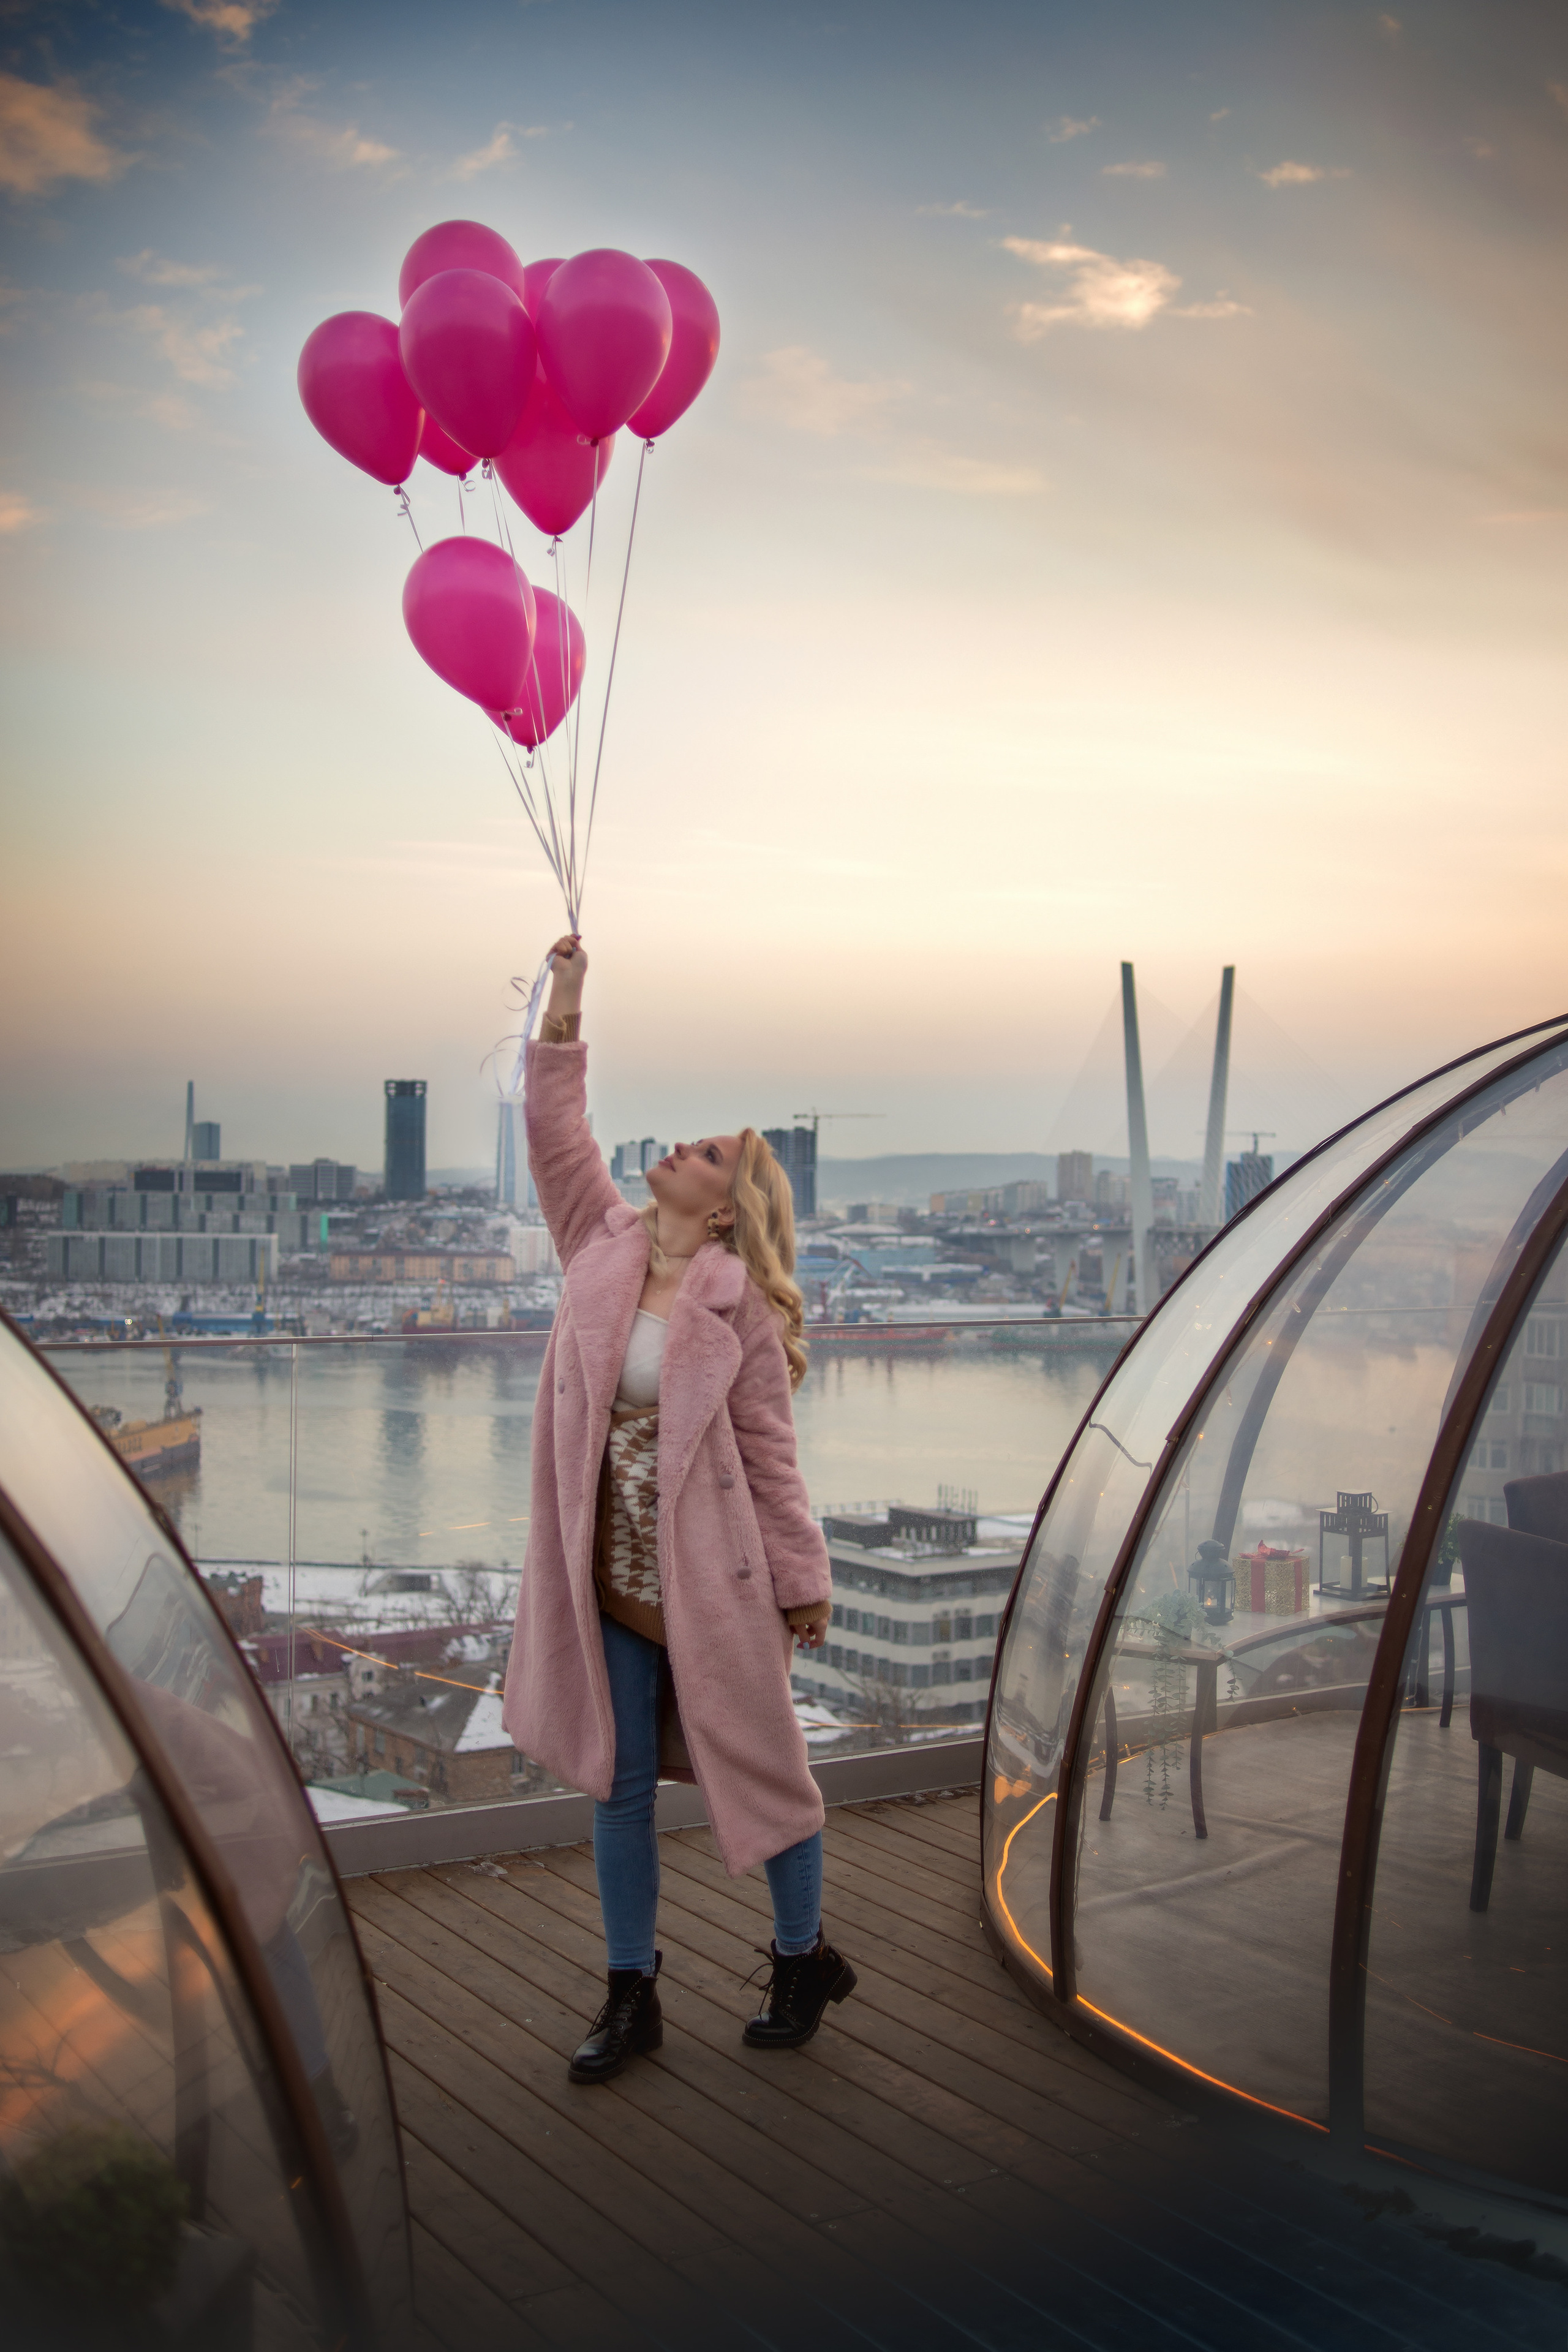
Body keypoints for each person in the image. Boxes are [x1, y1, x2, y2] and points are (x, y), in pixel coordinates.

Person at [500, 937, 856, 2084]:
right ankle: (629, 1992)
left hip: (714, 1585)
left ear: (723, 1210)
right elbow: (557, 1134)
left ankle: (801, 1957)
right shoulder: (596, 1247)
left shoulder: (737, 1306)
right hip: (605, 1574)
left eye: (705, 1152)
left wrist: (804, 1583)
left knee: (765, 1774)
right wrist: (568, 997)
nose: (680, 1147)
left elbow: (768, 1452)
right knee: (616, 1790)